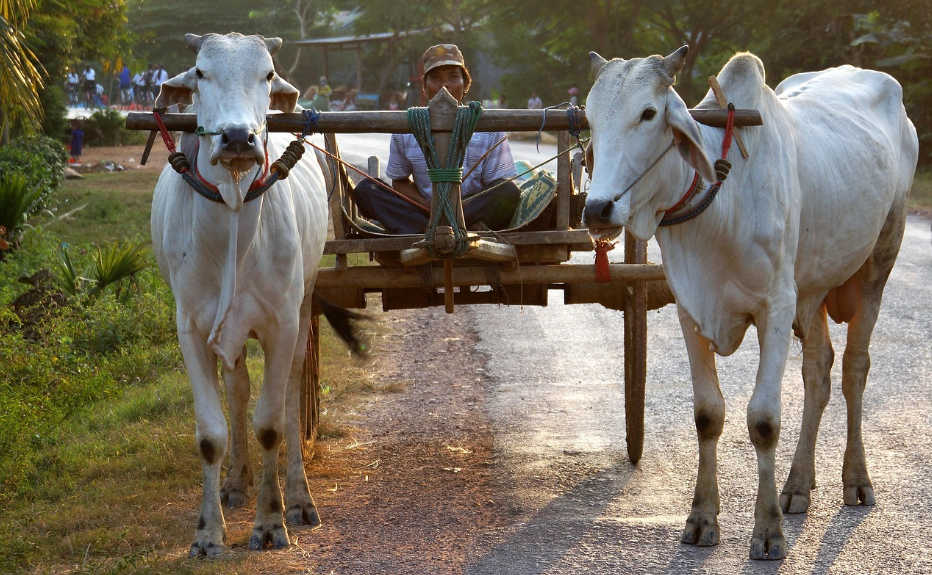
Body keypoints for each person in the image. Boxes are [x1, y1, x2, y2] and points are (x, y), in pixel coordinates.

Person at [352, 44, 521, 234]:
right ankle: (428, 228)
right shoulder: (406, 128)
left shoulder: (488, 127)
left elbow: (497, 185)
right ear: (424, 87)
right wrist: (426, 204)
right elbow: (399, 182)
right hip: (425, 211)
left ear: (466, 84)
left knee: (509, 190)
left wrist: (456, 210)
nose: (444, 84)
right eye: (435, 78)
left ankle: (442, 226)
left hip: (470, 210)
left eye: (453, 77)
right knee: (367, 189)